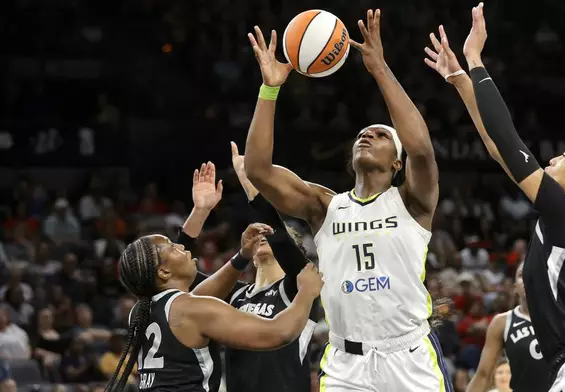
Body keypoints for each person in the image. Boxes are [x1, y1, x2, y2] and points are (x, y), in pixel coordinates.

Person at [424, 3, 565, 390]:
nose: (554, 157)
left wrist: (475, 59)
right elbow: (498, 148)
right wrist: (460, 80)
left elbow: (508, 140)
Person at [244, 9, 452, 392]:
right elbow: (257, 170)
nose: (367, 135)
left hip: (409, 358)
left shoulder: (412, 202)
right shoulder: (324, 207)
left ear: (396, 164)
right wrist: (270, 88)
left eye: (380, 134)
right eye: (362, 133)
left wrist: (379, 70)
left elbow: (421, 148)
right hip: (345, 365)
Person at [104, 166, 324, 392]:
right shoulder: (209, 302)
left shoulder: (145, 308)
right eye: (172, 246)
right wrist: (308, 293)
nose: (180, 246)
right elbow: (278, 333)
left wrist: (205, 214)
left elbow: (174, 273)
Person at [223, 141, 318, 392]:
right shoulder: (235, 294)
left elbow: (281, 241)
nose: (264, 233)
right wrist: (201, 210)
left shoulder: (300, 286)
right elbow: (185, 279)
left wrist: (250, 184)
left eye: (273, 234)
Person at [461, 263, 549, 392]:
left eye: (533, 272)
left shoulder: (562, 318)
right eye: (521, 275)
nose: (527, 277)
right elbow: (483, 375)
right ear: (515, 288)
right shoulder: (502, 322)